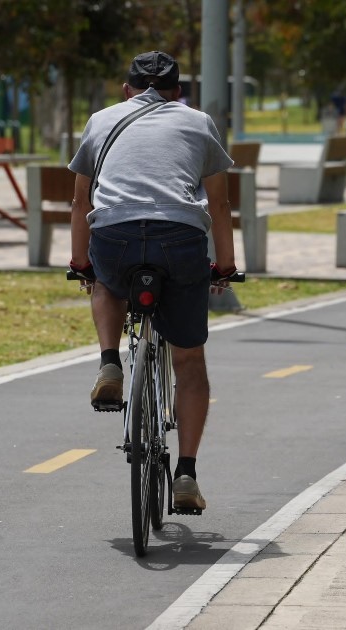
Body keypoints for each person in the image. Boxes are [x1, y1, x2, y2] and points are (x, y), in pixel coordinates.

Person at [67, 51, 237, 513]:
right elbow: (219, 204)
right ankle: (185, 474)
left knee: (104, 282)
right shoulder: (199, 123)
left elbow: (81, 199)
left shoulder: (101, 120)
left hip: (115, 236)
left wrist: (81, 260)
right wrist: (225, 265)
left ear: (127, 90)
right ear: (178, 92)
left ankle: (109, 364)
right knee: (190, 363)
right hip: (179, 240)